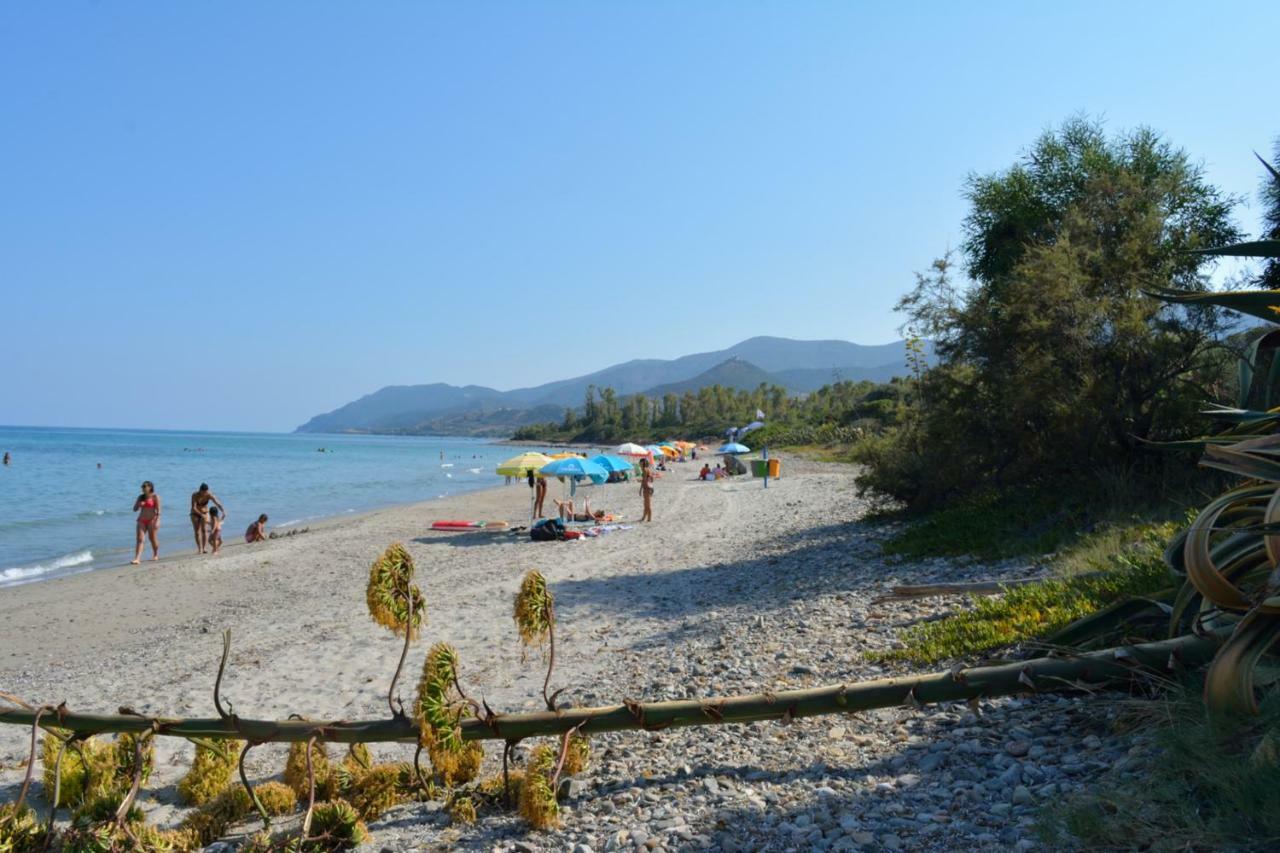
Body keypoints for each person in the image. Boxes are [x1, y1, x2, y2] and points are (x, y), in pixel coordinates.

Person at [131, 481, 161, 563]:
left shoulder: (155, 496)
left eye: (145, 486)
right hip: (141, 520)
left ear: (150, 487)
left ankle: (155, 555)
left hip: (152, 520)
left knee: (152, 539)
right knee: (140, 539)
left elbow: (159, 510)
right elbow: (134, 509)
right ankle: (137, 558)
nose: (143, 488)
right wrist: (139, 504)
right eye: (142, 487)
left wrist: (157, 520)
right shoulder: (140, 497)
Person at [639, 458, 654, 522]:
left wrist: (639, 481)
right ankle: (644, 517)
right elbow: (650, 479)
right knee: (646, 504)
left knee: (647, 505)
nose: (639, 464)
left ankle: (649, 518)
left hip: (647, 488)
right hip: (648, 488)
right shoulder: (647, 470)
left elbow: (644, 480)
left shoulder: (645, 470)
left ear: (643, 463)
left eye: (640, 463)